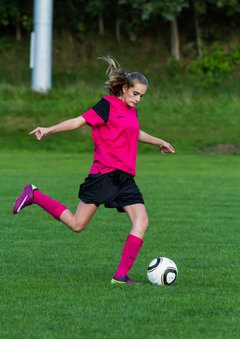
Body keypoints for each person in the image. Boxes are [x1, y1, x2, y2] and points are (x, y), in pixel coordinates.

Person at [13, 56, 175, 285]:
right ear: (125, 88)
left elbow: (134, 133)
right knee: (77, 224)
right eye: (135, 94)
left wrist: (159, 141)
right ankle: (34, 194)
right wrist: (49, 129)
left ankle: (120, 276)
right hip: (104, 175)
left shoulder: (131, 111)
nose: (138, 99)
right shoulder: (106, 105)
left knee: (142, 221)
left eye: (142, 96)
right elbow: (78, 121)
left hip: (125, 178)